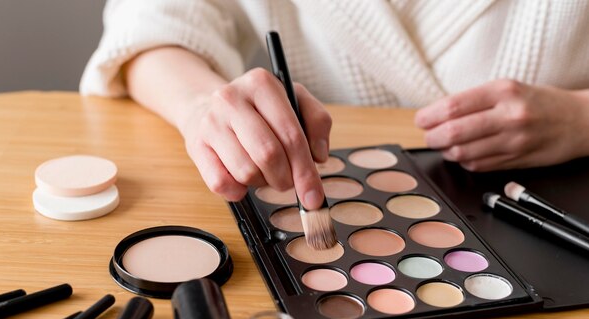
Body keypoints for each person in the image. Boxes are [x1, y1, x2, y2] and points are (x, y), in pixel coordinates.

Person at [81, 0, 589, 210]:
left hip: (555, 197)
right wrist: (199, 106)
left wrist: (581, 118)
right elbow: (148, 27)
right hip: (351, 197)